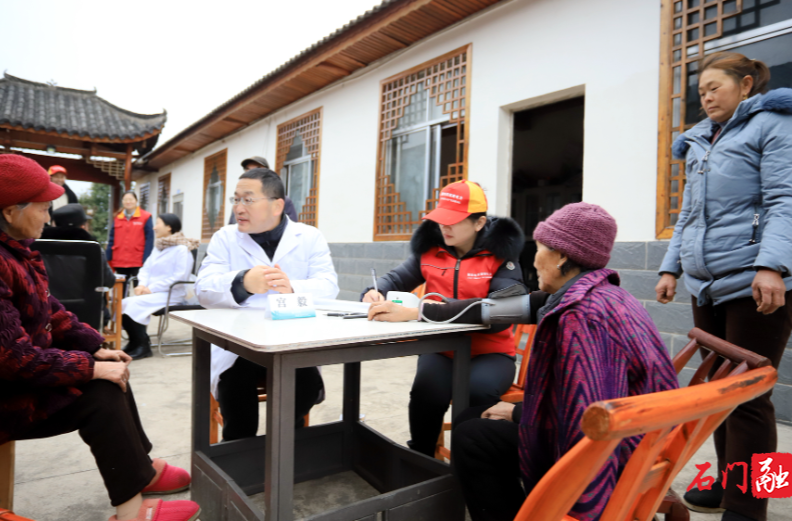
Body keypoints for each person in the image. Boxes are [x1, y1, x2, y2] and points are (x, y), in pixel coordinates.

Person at [398, 202, 677, 521]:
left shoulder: (581, 319)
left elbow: (588, 416)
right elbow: (489, 310)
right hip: (631, 435)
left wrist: (519, 412)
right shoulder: (590, 294)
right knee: (472, 417)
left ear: (561, 258)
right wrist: (418, 312)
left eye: (540, 248)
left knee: (471, 438)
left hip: (609, 453)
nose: (533, 258)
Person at [0, 154, 200, 521]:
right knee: (101, 391)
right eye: (44, 208)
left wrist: (97, 349)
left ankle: (142, 469)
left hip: (19, 379)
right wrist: (87, 368)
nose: (48, 217)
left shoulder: (20, 253)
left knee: (112, 368)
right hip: (8, 392)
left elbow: (55, 315)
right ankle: (131, 512)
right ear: (12, 211)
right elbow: (13, 357)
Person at [655, 53, 792, 521]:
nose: (706, 96)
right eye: (701, 92)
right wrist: (671, 268)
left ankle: (752, 504)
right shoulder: (699, 142)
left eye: (715, 87)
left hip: (756, 280)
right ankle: (727, 485)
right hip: (706, 284)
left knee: (753, 395)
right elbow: (689, 214)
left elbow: (785, 199)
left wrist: (772, 265)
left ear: (746, 84)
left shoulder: (773, 125)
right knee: (718, 392)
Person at [362, 180, 526, 457]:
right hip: (441, 349)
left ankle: (472, 461)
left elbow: (501, 313)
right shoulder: (430, 250)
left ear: (478, 223)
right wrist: (374, 291)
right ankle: (421, 458)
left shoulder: (500, 257)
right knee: (427, 391)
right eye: (440, 220)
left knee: (479, 392)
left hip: (490, 353)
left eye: (453, 221)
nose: (444, 227)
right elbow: (396, 278)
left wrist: (419, 313)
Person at [195, 167, 338, 440]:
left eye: (248, 200)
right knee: (236, 391)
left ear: (277, 205)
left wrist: (293, 287)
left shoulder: (309, 237)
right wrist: (242, 282)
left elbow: (329, 287)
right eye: (235, 200)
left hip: (292, 342)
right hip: (239, 345)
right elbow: (202, 289)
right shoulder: (225, 238)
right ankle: (238, 452)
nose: (238, 208)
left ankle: (285, 443)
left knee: (305, 386)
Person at [121, 213, 199, 360]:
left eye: (158, 224)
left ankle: (143, 346)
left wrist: (152, 288)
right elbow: (146, 269)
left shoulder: (182, 249)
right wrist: (142, 284)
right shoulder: (159, 247)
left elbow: (180, 276)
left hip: (172, 293)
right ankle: (134, 342)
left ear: (169, 227)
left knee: (133, 304)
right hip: (154, 293)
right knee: (124, 304)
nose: (154, 227)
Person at [41, 203, 116, 290]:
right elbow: (109, 281)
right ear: (83, 227)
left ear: (55, 225)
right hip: (88, 303)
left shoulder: (39, 247)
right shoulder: (93, 248)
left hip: (48, 303)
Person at [107, 191, 154, 298]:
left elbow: (150, 240)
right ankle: (121, 314)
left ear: (136, 201)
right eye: (125, 199)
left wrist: (146, 259)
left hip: (138, 260)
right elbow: (111, 238)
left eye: (131, 199)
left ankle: (138, 314)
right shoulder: (118, 217)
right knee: (120, 293)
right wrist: (108, 257)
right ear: (122, 202)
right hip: (120, 260)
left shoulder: (145, 217)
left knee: (139, 291)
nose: (128, 202)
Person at [228, 156, 298, 224]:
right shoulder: (239, 203)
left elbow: (291, 230)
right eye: (248, 170)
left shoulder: (282, 201)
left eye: (257, 170)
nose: (251, 174)